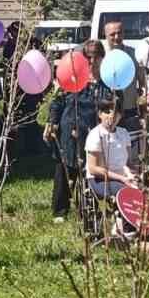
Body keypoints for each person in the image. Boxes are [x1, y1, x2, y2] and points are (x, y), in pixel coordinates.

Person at [45, 39, 103, 223]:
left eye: (96, 56)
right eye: (89, 57)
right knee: (65, 169)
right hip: (70, 129)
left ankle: (88, 208)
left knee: (91, 171)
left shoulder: (106, 82)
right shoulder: (75, 76)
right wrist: (52, 121)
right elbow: (58, 101)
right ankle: (60, 210)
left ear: (102, 58)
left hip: (93, 132)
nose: (92, 61)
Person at [85, 98, 136, 200]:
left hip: (123, 176)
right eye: (107, 112)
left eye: (115, 113)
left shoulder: (124, 133)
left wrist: (133, 173)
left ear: (120, 115)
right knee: (128, 193)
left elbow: (128, 162)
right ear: (100, 114)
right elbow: (93, 169)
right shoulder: (96, 135)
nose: (111, 116)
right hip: (101, 179)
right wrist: (122, 179)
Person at [100, 19, 143, 128]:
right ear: (105, 35)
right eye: (112, 34)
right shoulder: (101, 57)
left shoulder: (134, 54)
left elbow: (142, 82)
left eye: (119, 33)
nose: (116, 37)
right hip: (106, 112)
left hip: (129, 111)